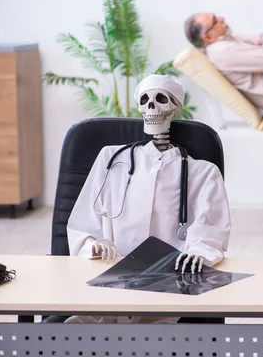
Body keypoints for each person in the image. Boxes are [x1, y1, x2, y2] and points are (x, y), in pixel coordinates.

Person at [64, 74, 232, 324]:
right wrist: (92, 244)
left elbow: (210, 229)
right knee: (77, 329)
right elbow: (82, 223)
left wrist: (199, 251)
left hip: (165, 286)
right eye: (145, 101)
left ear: (175, 109)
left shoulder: (203, 172)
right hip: (109, 279)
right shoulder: (112, 160)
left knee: (153, 336)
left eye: (161, 100)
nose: (151, 107)